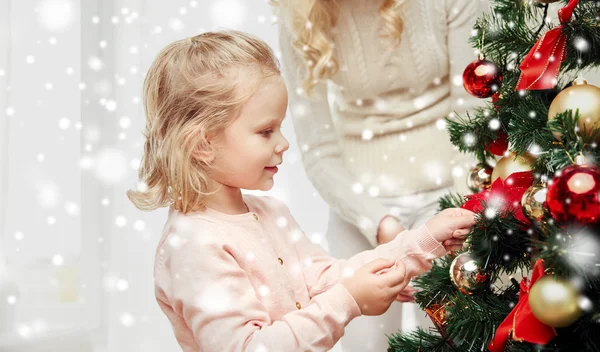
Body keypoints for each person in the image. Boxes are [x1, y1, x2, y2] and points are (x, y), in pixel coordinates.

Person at [127, 30, 476, 351]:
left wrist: (426, 240)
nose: (284, 144)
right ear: (203, 144)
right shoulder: (193, 244)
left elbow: (328, 279)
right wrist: (349, 300)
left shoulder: (270, 213)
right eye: (265, 131)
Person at [260, 0, 483, 348]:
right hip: (362, 208)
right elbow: (318, 148)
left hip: (453, 193)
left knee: (462, 338)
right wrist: (383, 225)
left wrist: (446, 218)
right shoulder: (301, 8)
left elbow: (473, 110)